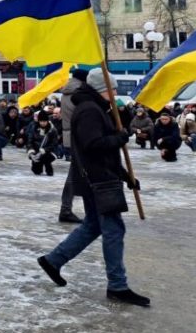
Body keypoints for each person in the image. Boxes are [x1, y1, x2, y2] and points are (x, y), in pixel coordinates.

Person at [37, 69, 150, 307]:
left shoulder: (95, 107)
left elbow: (104, 153)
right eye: (113, 89)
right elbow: (93, 145)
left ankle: (53, 260)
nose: (115, 93)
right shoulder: (90, 110)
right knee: (113, 230)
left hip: (98, 177)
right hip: (98, 180)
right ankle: (117, 285)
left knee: (93, 225)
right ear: (102, 89)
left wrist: (126, 176)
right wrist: (120, 138)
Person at [58, 68, 89, 224]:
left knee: (77, 173)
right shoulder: (79, 94)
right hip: (79, 137)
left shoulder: (66, 92)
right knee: (77, 174)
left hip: (69, 136)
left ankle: (66, 209)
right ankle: (66, 210)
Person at [26, 110, 59, 176]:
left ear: (47, 121)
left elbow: (54, 144)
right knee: (36, 171)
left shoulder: (52, 130)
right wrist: (31, 151)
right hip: (37, 151)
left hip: (50, 152)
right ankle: (37, 166)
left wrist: (45, 150)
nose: (43, 123)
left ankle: (48, 168)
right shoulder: (34, 128)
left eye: (44, 121)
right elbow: (30, 141)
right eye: (41, 121)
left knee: (45, 158)